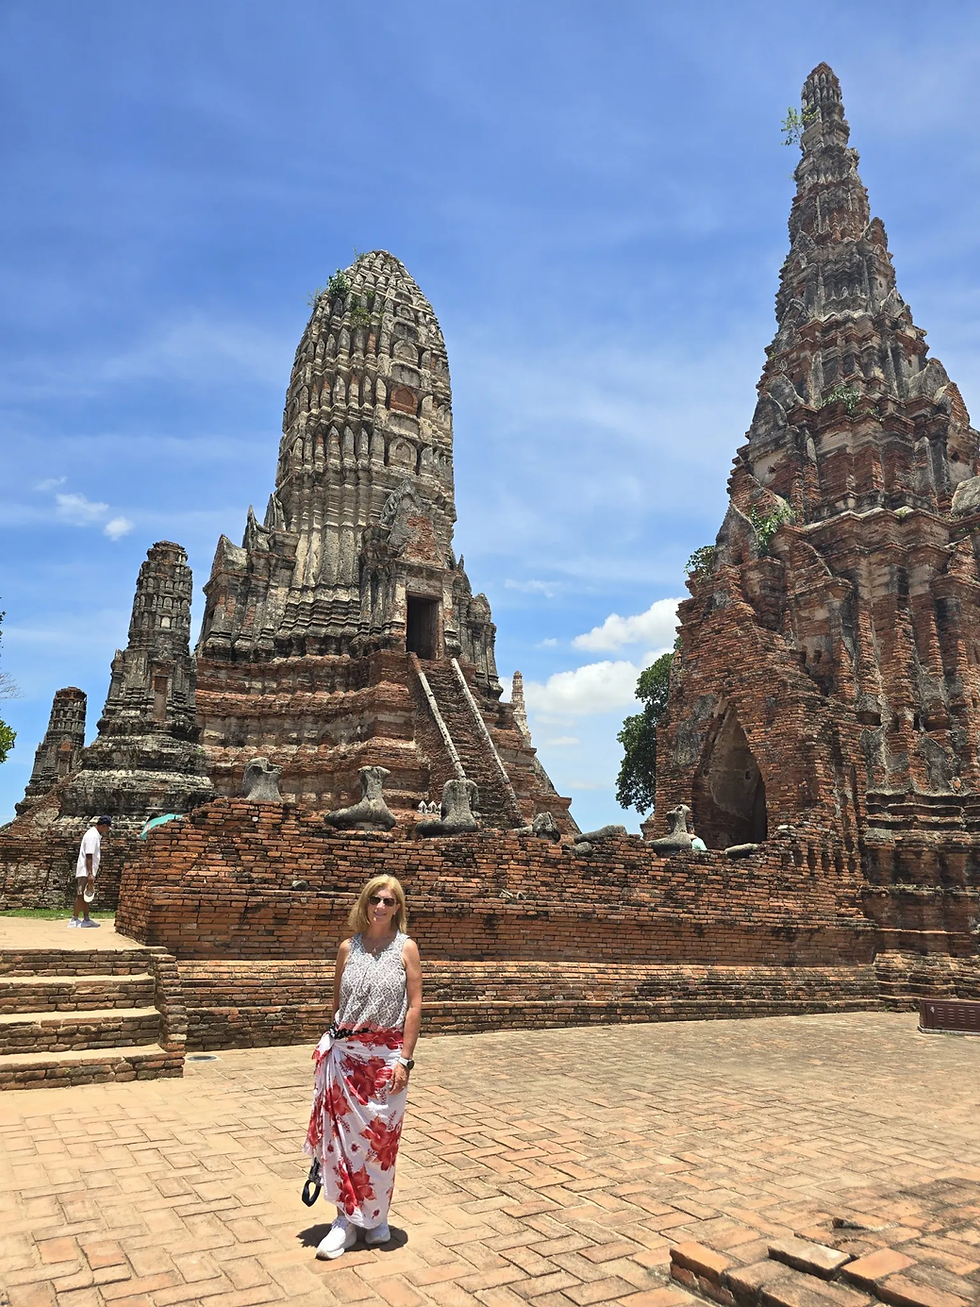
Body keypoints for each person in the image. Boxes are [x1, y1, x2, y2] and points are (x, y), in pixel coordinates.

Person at [304, 874, 422, 1260]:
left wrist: (405, 1060)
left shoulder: (406, 948)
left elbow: (414, 1007)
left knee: (380, 1143)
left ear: (398, 907)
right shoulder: (346, 948)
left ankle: (376, 1217)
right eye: (375, 899)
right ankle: (344, 1221)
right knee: (340, 1144)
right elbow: (336, 1003)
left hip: (387, 1059)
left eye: (389, 901)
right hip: (346, 1057)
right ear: (365, 903)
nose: (381, 907)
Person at [69, 816, 112, 928]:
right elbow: (89, 855)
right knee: (80, 893)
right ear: (103, 826)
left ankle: (86, 919)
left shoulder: (94, 834)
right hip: (86, 870)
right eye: (106, 828)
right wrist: (89, 873)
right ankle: (74, 919)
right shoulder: (93, 836)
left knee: (87, 894)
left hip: (88, 870)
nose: (106, 831)